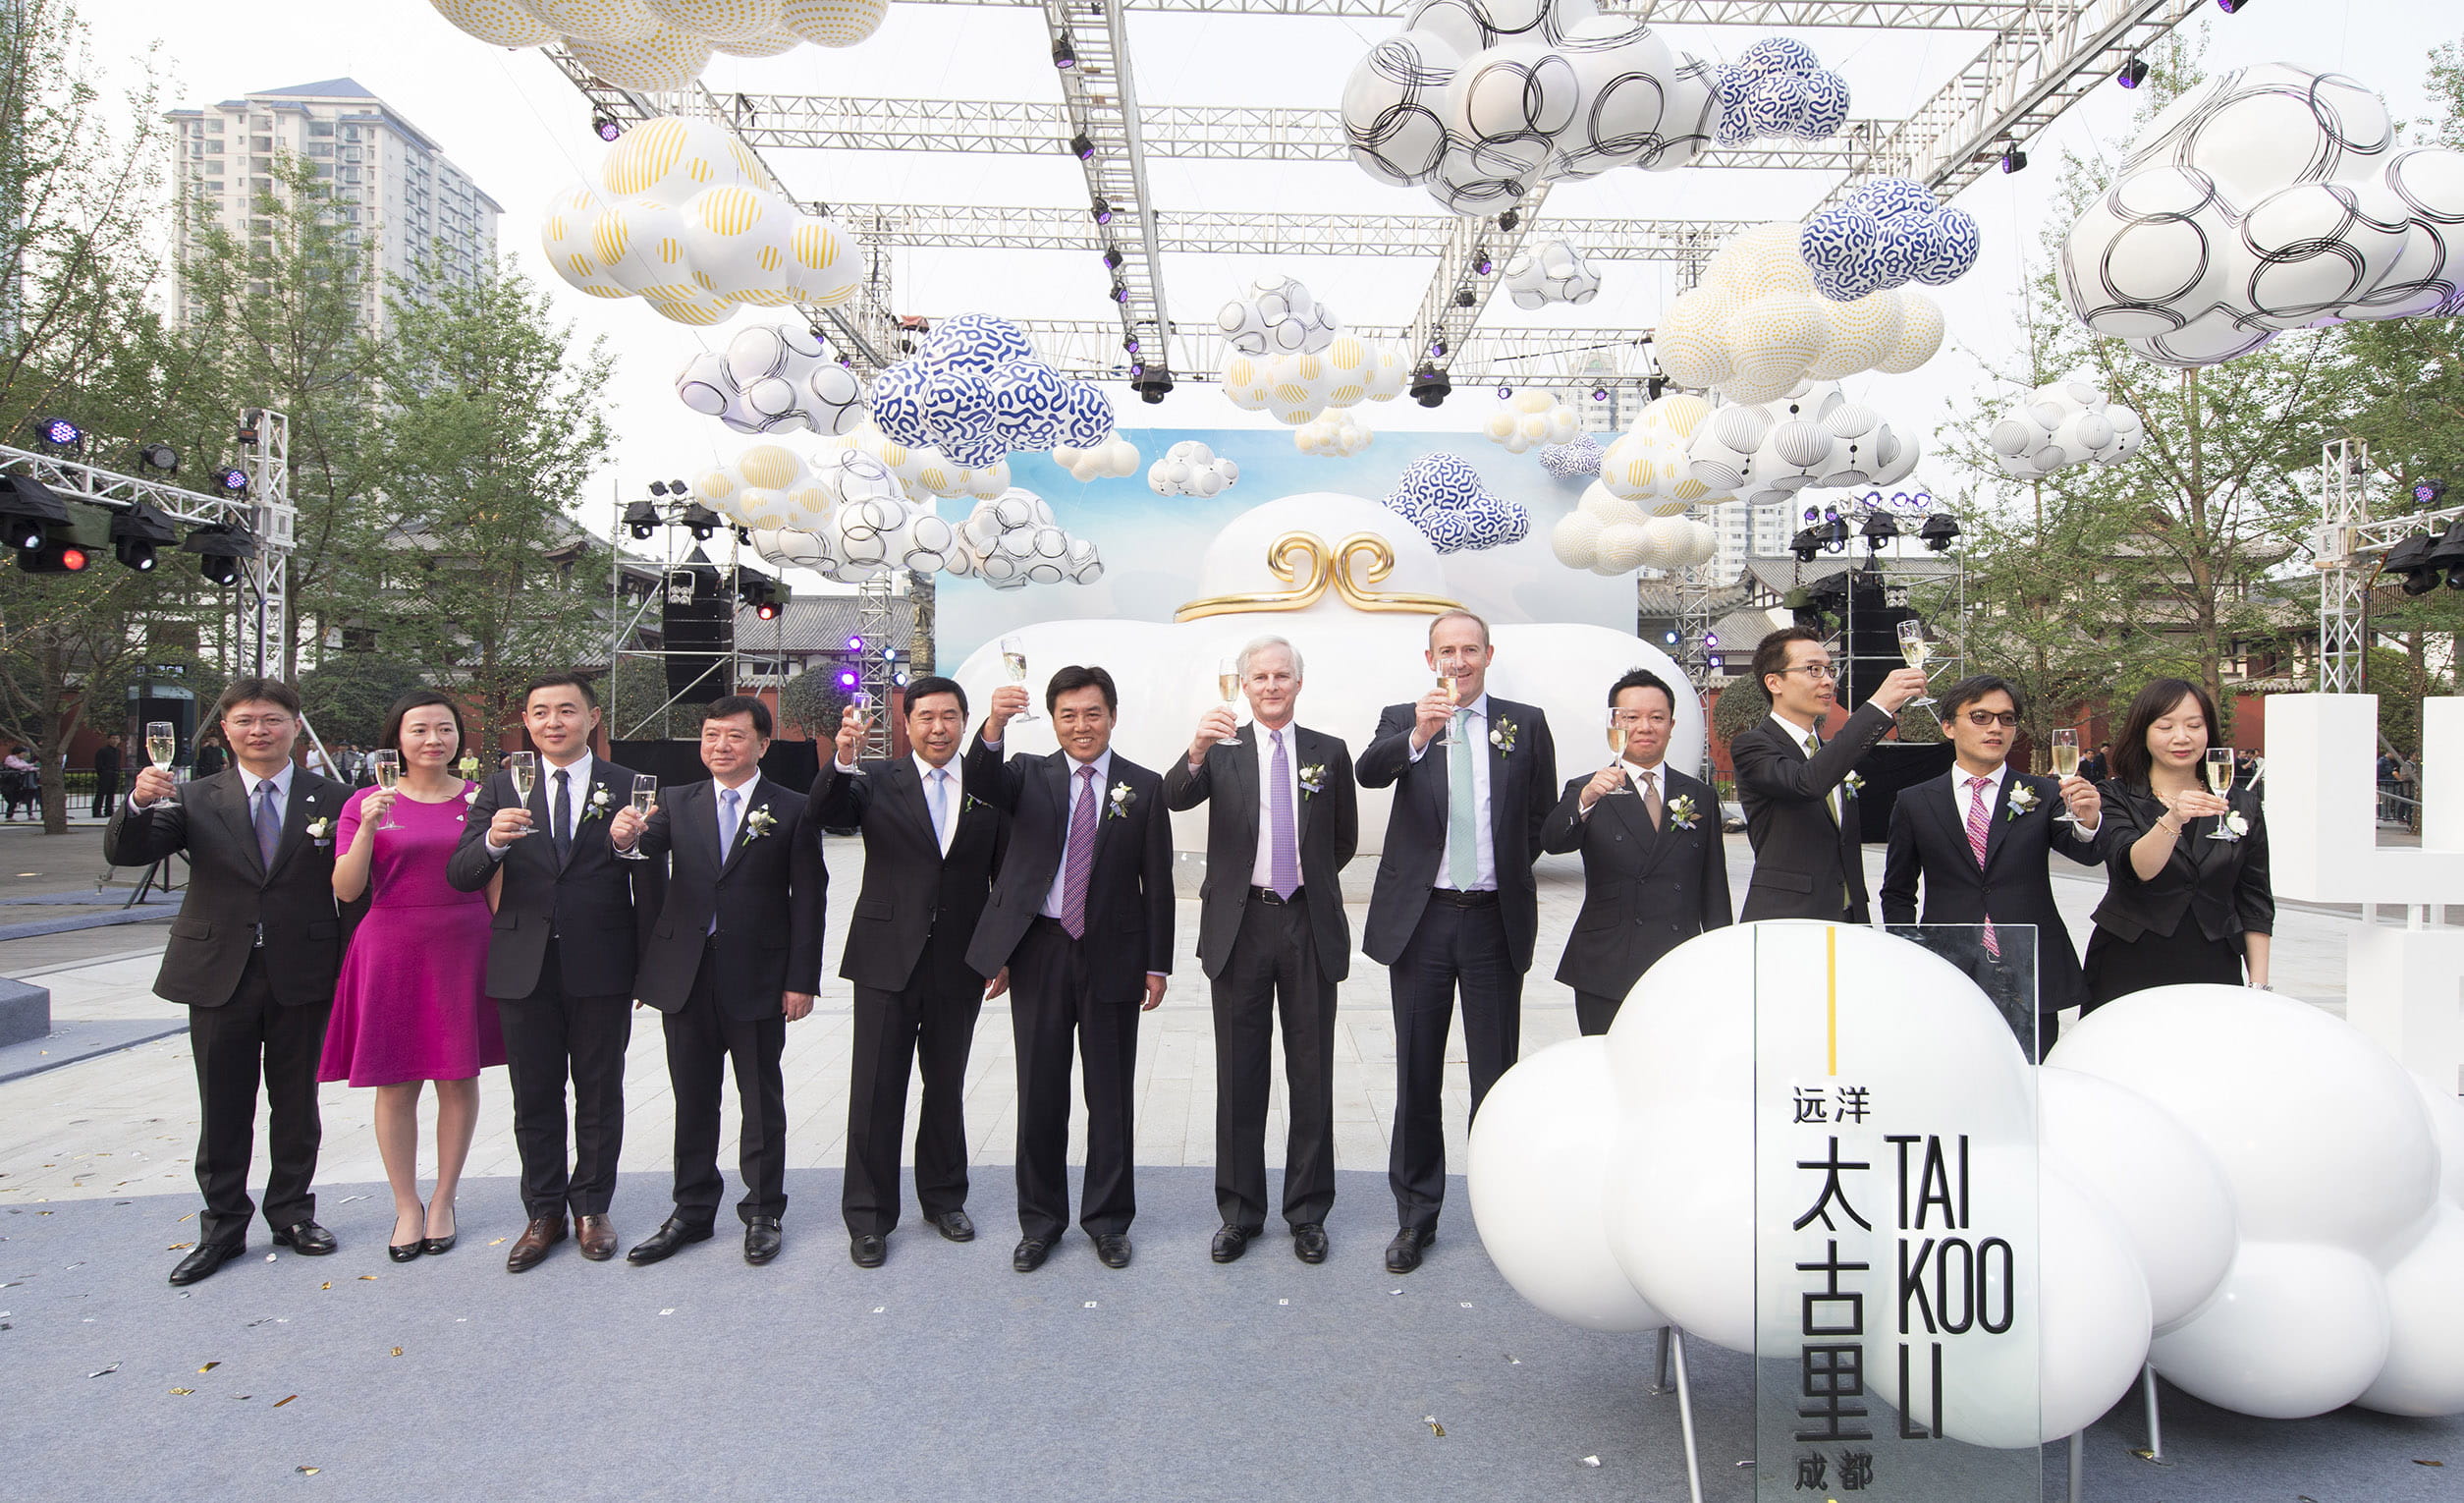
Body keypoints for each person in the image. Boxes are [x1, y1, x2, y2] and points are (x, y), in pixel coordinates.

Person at [102, 679, 350, 1285]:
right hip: (219, 971)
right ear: (225, 731)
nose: (259, 731)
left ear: (295, 725)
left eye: (272, 719)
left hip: (304, 970)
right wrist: (137, 802)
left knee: (297, 1103)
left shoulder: (336, 797)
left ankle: (293, 1214)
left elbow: (354, 883)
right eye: (245, 721)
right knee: (222, 1105)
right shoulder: (191, 797)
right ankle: (222, 1228)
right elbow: (128, 853)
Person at [1355, 609, 1558, 1274]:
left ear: (1488, 655)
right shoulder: (1402, 718)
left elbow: (1538, 817)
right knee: (1417, 1072)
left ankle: (1501, 1215)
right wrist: (1419, 732)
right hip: (1423, 922)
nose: (1459, 661)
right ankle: (1416, 1217)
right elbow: (1368, 772)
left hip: (1494, 920)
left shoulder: (1524, 723)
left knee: (1495, 1077)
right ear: (1430, 659)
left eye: (1470, 649)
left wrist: (1503, 870)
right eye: (1447, 651)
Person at [960, 665, 1174, 1274]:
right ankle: (1040, 1222)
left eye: (1093, 713)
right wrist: (994, 724)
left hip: (1114, 956)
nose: (1082, 726)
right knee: (1040, 1094)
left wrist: (1157, 963)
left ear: (1112, 716)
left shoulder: (1144, 785)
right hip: (1040, 951)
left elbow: (1157, 882)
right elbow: (978, 779)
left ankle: (1109, 1222)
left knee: (1110, 1096)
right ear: (1053, 720)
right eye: (1068, 715)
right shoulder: (1027, 774)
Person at [447, 673, 660, 1273]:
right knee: (534, 1094)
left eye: (567, 710)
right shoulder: (499, 787)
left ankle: (592, 1206)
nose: (553, 722)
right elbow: (461, 874)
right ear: (527, 721)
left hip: (603, 962)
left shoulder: (629, 784)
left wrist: (627, 850)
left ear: (593, 717)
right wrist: (491, 842)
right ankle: (542, 1211)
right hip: (524, 964)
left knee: (599, 1091)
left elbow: (652, 881)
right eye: (540, 712)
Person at [1162, 636, 1359, 1265]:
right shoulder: (1222, 749)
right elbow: (1173, 795)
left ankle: (1308, 1212)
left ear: (1298, 683)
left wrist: (1304, 881)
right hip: (1240, 926)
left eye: (1281, 676)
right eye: (1260, 677)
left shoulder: (1329, 752)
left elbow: (1344, 839)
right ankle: (1240, 1212)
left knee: (1312, 1073)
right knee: (1239, 1074)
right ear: (1243, 686)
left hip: (1307, 923)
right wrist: (1196, 749)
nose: (1271, 686)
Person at [614, 696, 824, 1269]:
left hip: (758, 975)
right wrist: (625, 837)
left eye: (734, 735)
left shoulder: (793, 807)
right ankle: (691, 1210)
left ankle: (763, 1211)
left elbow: (810, 898)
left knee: (760, 1098)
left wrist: (801, 979)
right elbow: (642, 849)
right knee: (692, 1098)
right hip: (686, 974)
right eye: (711, 735)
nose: (720, 746)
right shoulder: (676, 801)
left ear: (763, 744)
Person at [813, 676, 1007, 1267]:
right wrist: (842, 756)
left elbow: (1004, 874)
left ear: (965, 722)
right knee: (876, 1088)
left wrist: (1000, 951)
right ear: (907, 723)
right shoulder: (875, 779)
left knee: (946, 1085)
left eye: (950, 717)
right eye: (926, 717)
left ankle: (945, 1199)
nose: (938, 728)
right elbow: (827, 813)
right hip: (884, 957)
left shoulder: (990, 785)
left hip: (960, 960)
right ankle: (869, 1216)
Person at [319, 691, 505, 1261]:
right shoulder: (366, 801)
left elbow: (496, 884)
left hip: (464, 945)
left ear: (458, 738)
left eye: (445, 729)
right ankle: (406, 1204)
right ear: (397, 738)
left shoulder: (480, 798)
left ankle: (444, 1199)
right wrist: (368, 828)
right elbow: (346, 889)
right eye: (419, 729)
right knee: (395, 1081)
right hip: (392, 948)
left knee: (457, 1076)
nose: (433, 740)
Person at [1878, 676, 2106, 1058]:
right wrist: (1910, 952)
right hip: (1949, 966)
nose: (1996, 728)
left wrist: (2088, 821)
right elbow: (1898, 891)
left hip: (2029, 967)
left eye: (2007, 718)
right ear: (1948, 727)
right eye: (1980, 717)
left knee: (2031, 1075)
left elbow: (2086, 854)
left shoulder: (2044, 793)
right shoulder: (1916, 801)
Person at [1538, 667, 1731, 1036]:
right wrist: (1586, 799)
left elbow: (1714, 889)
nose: (1645, 727)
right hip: (1606, 962)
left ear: (1671, 725)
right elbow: (1552, 841)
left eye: (1656, 717)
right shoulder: (1587, 788)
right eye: (1631, 717)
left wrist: (1719, 957)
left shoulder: (1699, 795)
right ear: (1613, 725)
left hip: (1678, 960)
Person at [2082, 678, 2273, 1014]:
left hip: (2215, 963)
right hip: (2128, 962)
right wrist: (2174, 818)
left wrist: (2258, 987)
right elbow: (2135, 867)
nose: (2181, 737)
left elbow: (2254, 899)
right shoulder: (2115, 795)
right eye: (2165, 726)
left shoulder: (2241, 802)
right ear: (2143, 732)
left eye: (2194, 725)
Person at [1728, 626, 1928, 922]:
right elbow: (1805, 783)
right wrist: (1878, 706)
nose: (1828, 681)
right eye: (1814, 670)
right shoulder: (1753, 745)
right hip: (1786, 917)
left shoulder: (1830, 753)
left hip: (1848, 917)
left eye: (1830, 670)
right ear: (1774, 682)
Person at [90, 739, 123, 818]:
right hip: (105, 774)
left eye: (117, 738)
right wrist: (103, 772)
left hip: (114, 774)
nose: (115, 740)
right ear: (108, 740)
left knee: (111, 793)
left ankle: (109, 811)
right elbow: (99, 764)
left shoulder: (118, 751)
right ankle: (97, 811)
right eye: (113, 738)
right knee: (101, 793)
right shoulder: (103, 750)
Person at [2, 745, 34, 819]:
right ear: (18, 753)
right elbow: (17, 766)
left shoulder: (21, 760)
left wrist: (36, 768)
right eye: (23, 753)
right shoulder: (10, 758)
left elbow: (26, 766)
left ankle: (10, 815)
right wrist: (31, 765)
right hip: (8, 782)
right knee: (11, 799)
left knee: (15, 799)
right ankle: (9, 816)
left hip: (17, 783)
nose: (24, 755)